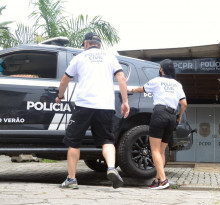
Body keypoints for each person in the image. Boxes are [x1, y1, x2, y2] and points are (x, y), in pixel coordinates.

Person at [55, 32, 130, 189]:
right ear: (100, 45)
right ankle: (111, 168)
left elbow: (64, 80)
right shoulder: (110, 57)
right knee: (107, 140)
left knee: (74, 141)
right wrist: (125, 102)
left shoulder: (79, 58)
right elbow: (121, 78)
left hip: (84, 105)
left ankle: (71, 179)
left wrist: (60, 96)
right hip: (106, 106)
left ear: (86, 44)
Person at [129, 59, 187, 190]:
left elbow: (141, 89)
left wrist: (130, 89)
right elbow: (184, 104)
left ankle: (164, 180)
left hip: (159, 114)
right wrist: (179, 117)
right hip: (172, 116)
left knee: (154, 150)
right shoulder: (177, 85)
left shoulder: (157, 81)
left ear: (161, 69)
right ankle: (157, 180)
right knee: (161, 151)